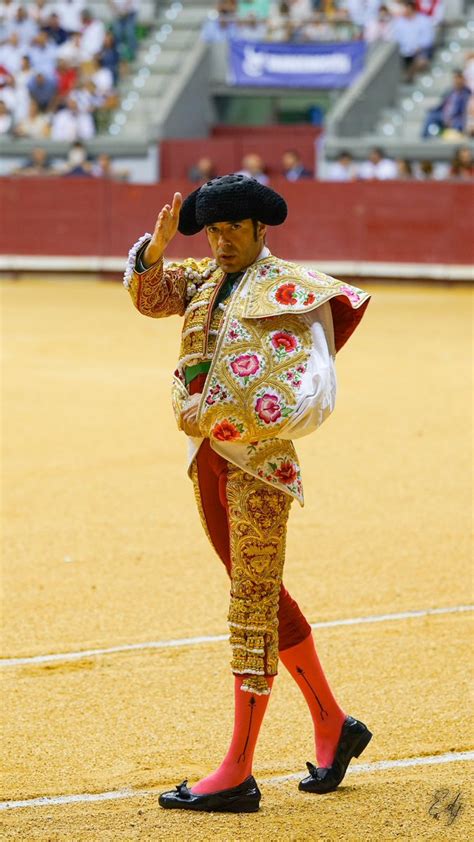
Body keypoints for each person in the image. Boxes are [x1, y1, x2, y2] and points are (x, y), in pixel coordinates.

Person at [123, 174, 372, 813]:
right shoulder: (204, 281)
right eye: (213, 229)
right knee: (256, 592)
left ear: (261, 229)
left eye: (234, 228)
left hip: (257, 465)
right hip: (206, 457)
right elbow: (151, 296)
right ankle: (332, 723)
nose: (221, 240)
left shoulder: (290, 288)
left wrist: (240, 416)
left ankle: (237, 770)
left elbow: (316, 385)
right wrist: (153, 252)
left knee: (251, 603)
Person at [422, 70, 472, 138]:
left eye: (459, 79)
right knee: (431, 116)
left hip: (456, 118)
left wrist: (451, 119)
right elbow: (441, 104)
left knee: (459, 125)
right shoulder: (449, 91)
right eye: (455, 78)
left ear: (463, 80)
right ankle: (424, 137)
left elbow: (464, 111)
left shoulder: (467, 93)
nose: (457, 81)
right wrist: (433, 110)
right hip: (444, 115)